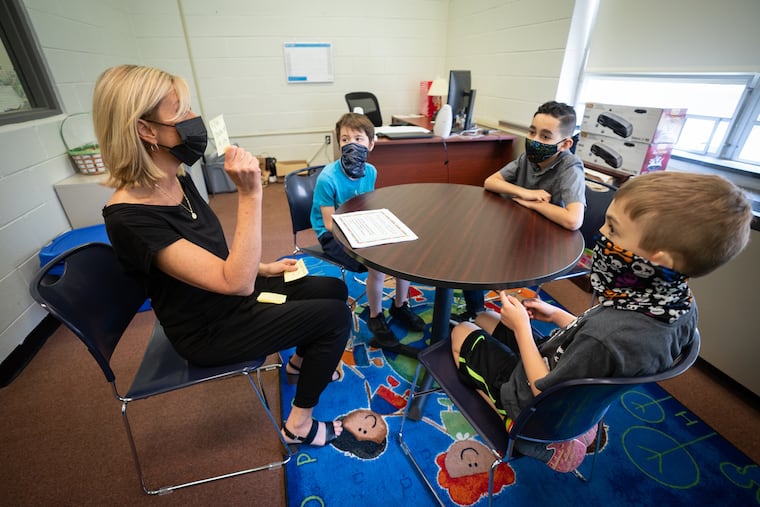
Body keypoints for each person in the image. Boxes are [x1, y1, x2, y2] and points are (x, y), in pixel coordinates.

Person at [94, 64, 351, 447]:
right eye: (180, 112)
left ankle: (298, 364)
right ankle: (299, 426)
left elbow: (211, 253)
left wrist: (263, 267)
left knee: (331, 289)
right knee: (335, 317)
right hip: (208, 329)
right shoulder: (130, 217)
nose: (192, 119)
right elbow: (237, 282)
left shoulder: (175, 178)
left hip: (228, 295)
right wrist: (251, 195)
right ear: (145, 130)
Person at [450, 171, 753, 472]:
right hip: (573, 378)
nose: (602, 233)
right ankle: (578, 424)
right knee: (486, 317)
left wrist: (522, 330)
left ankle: (526, 435)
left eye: (614, 229)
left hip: (534, 398)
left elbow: (545, 388)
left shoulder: (607, 335)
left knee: (463, 331)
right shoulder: (674, 302)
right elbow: (600, 345)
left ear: (659, 259)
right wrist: (556, 314)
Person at [455, 101, 586, 322]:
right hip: (517, 229)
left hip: (545, 242)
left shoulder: (571, 168)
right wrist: (526, 193)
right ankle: (476, 311)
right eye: (532, 132)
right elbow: (491, 182)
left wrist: (533, 203)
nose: (535, 140)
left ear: (565, 144)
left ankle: (507, 321)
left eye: (545, 136)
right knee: (471, 249)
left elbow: (574, 220)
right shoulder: (528, 159)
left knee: (480, 260)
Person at [311, 112, 425, 349]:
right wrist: (362, 237)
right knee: (378, 263)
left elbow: (366, 204)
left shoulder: (371, 172)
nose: (351, 144)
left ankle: (400, 305)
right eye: (344, 139)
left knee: (402, 254)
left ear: (371, 144)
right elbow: (329, 224)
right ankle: (375, 317)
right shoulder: (327, 179)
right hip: (334, 234)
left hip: (361, 226)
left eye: (358, 139)